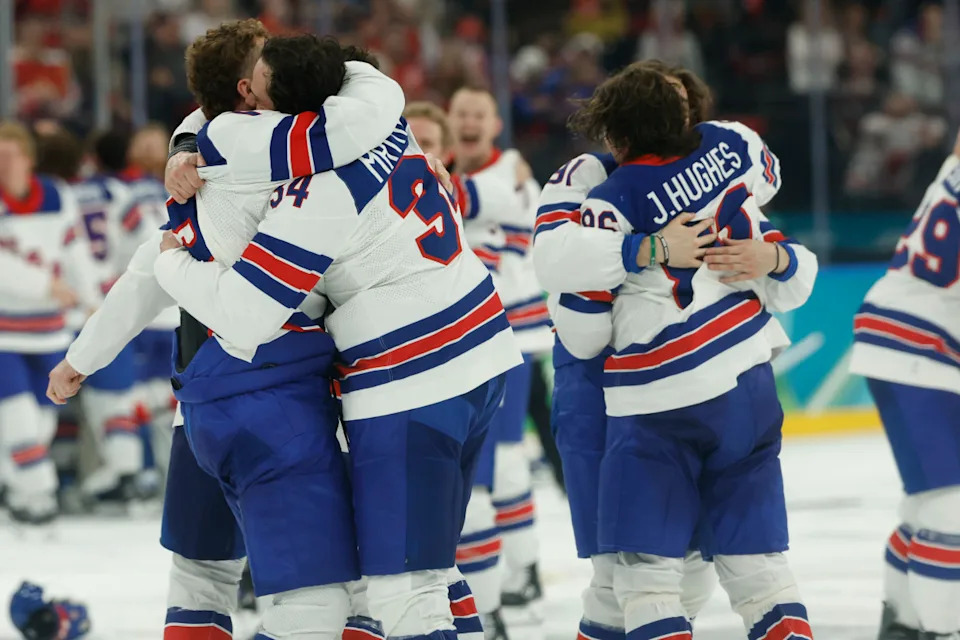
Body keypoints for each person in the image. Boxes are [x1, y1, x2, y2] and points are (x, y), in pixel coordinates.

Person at [150, 34, 522, 640]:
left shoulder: (315, 189)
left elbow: (247, 318)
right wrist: (189, 140)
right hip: (484, 345)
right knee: (435, 571)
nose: (247, 100)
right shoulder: (385, 115)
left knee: (401, 591)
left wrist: (172, 262)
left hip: (409, 376)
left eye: (258, 91)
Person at [47, 21, 406, 640]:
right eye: (267, 65)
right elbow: (372, 107)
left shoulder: (196, 182)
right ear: (248, 91)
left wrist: (81, 359)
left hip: (200, 406)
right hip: (295, 403)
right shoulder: (298, 166)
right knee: (340, 590)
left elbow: (147, 272)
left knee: (198, 578)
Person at [541, 63, 818, 640]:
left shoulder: (603, 192)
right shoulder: (734, 149)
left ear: (617, 130)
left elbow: (580, 322)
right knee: (754, 571)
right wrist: (773, 260)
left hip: (647, 395)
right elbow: (791, 260)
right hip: (745, 375)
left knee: (643, 579)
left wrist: (641, 251)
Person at [533, 61, 719, 640]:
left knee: (692, 572)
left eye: (682, 106)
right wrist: (651, 247)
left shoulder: (710, 171)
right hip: (596, 386)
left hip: (681, 386)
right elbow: (555, 258)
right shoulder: (584, 176)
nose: (674, 117)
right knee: (622, 576)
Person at [849, 130, 960, 640]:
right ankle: (940, 629)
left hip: (898, 330)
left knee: (926, 503)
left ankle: (903, 625)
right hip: (922, 343)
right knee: (950, 506)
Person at [448, 86, 551, 627]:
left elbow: (456, 200)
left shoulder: (513, 173)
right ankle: (518, 571)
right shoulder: (459, 174)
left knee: (500, 464)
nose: (468, 121)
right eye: (460, 113)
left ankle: (519, 572)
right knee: (496, 465)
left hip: (511, 335)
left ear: (494, 125)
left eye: (477, 113)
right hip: (476, 340)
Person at [0, 120, 99, 525]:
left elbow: (75, 251)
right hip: (5, 333)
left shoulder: (58, 196)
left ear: (27, 157)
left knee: (40, 423)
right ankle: (38, 494)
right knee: (18, 416)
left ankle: (14, 484)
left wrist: (93, 299)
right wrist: (45, 284)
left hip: (50, 331)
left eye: (8, 156)